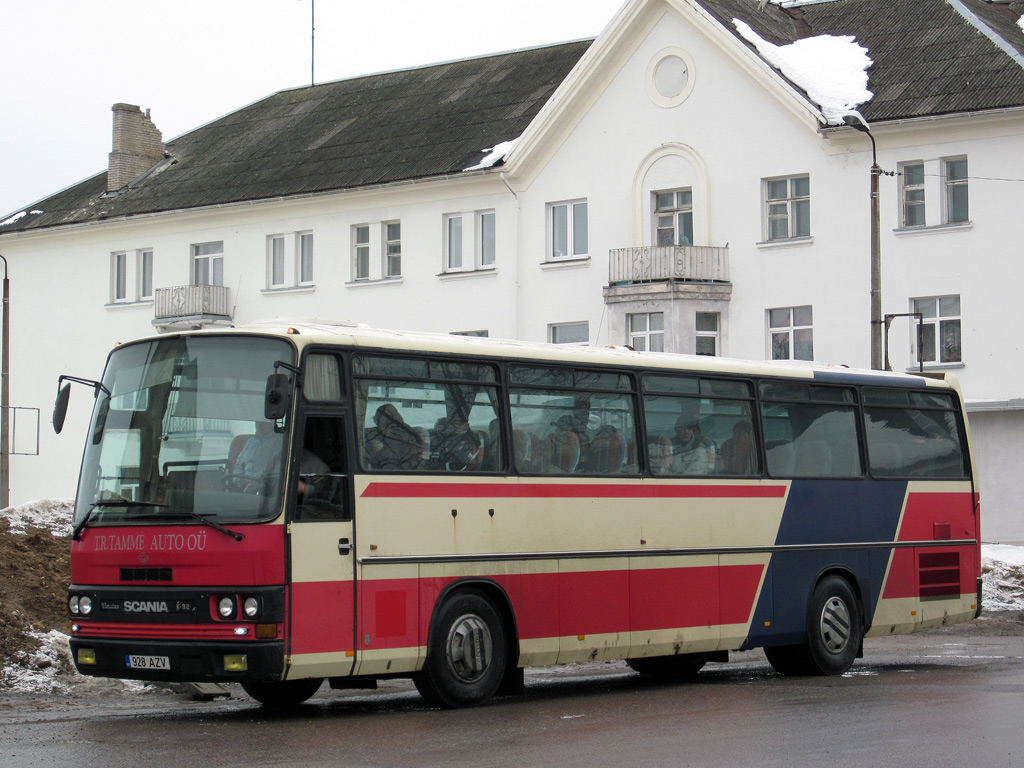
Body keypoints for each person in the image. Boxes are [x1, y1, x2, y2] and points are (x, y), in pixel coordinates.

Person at [363, 404, 421, 470]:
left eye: (383, 427)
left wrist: (383, 450)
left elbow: (405, 466)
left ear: (391, 425)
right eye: (379, 426)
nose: (381, 430)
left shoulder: (408, 438)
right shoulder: (378, 434)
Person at [232, 421, 283, 492]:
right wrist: (238, 479)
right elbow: (238, 464)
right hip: (243, 486)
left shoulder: (280, 442)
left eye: (263, 423)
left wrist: (252, 481)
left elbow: (275, 470)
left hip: (265, 489)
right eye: (257, 423)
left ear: (272, 423)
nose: (259, 426)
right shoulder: (250, 441)